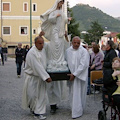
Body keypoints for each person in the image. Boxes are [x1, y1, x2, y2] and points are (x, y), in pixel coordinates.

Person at [40, 0, 71, 114]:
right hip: (54, 32)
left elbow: (64, 21)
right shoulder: (54, 11)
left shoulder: (62, 12)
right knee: (56, 45)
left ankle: (59, 61)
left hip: (61, 33)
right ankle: (55, 60)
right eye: (60, 2)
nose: (61, 4)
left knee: (61, 45)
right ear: (57, 2)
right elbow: (50, 19)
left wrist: (67, 20)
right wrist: (55, 16)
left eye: (63, 3)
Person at [22, 36, 52, 120]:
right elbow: (37, 66)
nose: (42, 45)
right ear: (35, 43)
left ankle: (39, 113)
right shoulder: (32, 53)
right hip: (33, 78)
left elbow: (44, 63)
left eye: (42, 43)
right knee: (32, 95)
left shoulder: (42, 51)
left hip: (40, 78)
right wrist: (46, 77)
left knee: (41, 96)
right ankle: (33, 108)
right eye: (40, 43)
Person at [66, 36, 89, 119]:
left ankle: (78, 110)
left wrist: (75, 74)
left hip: (80, 76)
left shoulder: (83, 51)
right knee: (72, 93)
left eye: (78, 43)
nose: (76, 44)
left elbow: (84, 65)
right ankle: (73, 108)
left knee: (80, 93)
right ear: (72, 43)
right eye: (74, 42)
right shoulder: (68, 51)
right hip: (71, 75)